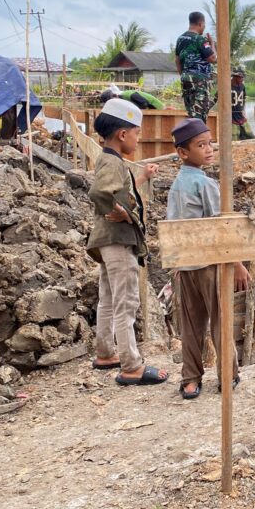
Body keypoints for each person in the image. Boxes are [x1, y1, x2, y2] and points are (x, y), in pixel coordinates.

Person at [86, 98, 169, 386]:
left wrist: (142, 177)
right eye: (136, 133)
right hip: (119, 241)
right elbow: (100, 192)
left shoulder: (109, 159)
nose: (138, 138)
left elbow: (121, 191)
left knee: (109, 299)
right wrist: (118, 211)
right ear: (123, 134)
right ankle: (132, 365)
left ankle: (105, 352)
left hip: (106, 241)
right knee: (127, 302)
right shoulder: (113, 163)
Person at [166, 118, 250, 399]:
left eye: (210, 143)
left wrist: (178, 262)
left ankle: (190, 379)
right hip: (209, 265)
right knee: (220, 322)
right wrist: (237, 264)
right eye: (201, 145)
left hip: (186, 265)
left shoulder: (178, 184)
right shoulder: (205, 184)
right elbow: (220, 229)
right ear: (183, 152)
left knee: (191, 326)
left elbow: (173, 227)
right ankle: (228, 375)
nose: (209, 149)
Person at [175, 12, 218, 121]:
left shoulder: (180, 39)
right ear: (200, 23)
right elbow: (213, 58)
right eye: (204, 25)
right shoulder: (200, 39)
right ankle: (198, 132)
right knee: (200, 115)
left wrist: (184, 75)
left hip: (186, 79)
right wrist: (212, 44)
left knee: (191, 113)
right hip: (199, 81)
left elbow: (177, 60)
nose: (204, 27)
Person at [231, 67, 255, 140]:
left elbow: (244, 98)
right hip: (231, 117)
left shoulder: (242, 86)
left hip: (240, 115)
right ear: (235, 77)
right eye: (240, 77)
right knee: (234, 138)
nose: (242, 79)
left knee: (250, 136)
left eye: (243, 77)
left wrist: (243, 109)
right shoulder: (227, 86)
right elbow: (217, 99)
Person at [100, 85, 165, 110]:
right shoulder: (123, 99)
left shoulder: (128, 95)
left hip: (156, 107)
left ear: (115, 96)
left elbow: (144, 103)